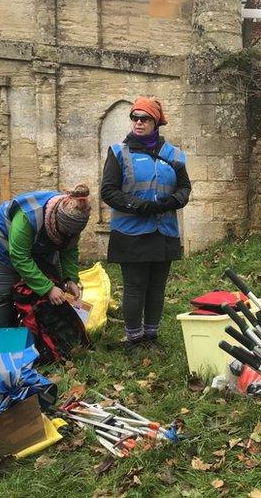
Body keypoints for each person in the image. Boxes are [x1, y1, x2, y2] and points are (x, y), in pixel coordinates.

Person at [100, 97, 191, 349]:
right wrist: (137, 206)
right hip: (131, 232)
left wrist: (173, 201)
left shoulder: (174, 154)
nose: (138, 123)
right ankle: (134, 338)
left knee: (157, 287)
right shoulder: (119, 152)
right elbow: (108, 191)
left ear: (156, 122)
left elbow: (184, 186)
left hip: (164, 229)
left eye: (145, 118)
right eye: (135, 118)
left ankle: (151, 335)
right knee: (135, 286)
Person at [0, 185, 92, 348]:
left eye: (71, 234)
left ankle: (48, 338)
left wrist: (70, 280)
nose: (67, 236)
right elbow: (19, 256)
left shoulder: (74, 218)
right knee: (5, 293)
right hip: (0, 242)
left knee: (56, 286)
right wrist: (47, 288)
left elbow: (69, 249)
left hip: (38, 246)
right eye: (64, 232)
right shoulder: (28, 216)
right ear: (55, 221)